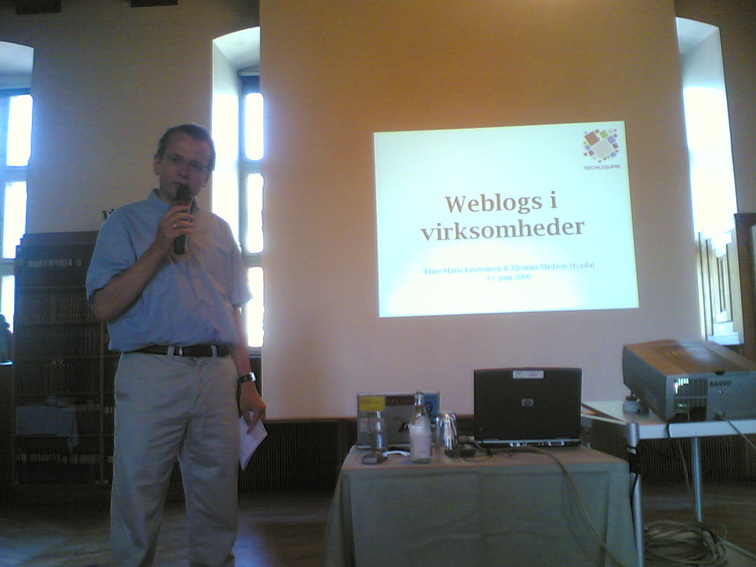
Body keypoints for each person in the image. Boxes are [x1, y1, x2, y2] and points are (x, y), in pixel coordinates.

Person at [86, 123, 266, 567]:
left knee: (217, 488)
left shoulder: (220, 230)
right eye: (176, 160)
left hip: (216, 372)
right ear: (157, 163)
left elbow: (233, 311)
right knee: (139, 486)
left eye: (198, 166)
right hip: (151, 371)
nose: (186, 172)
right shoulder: (124, 223)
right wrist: (159, 245)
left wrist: (247, 380)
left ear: (206, 177)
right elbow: (104, 306)